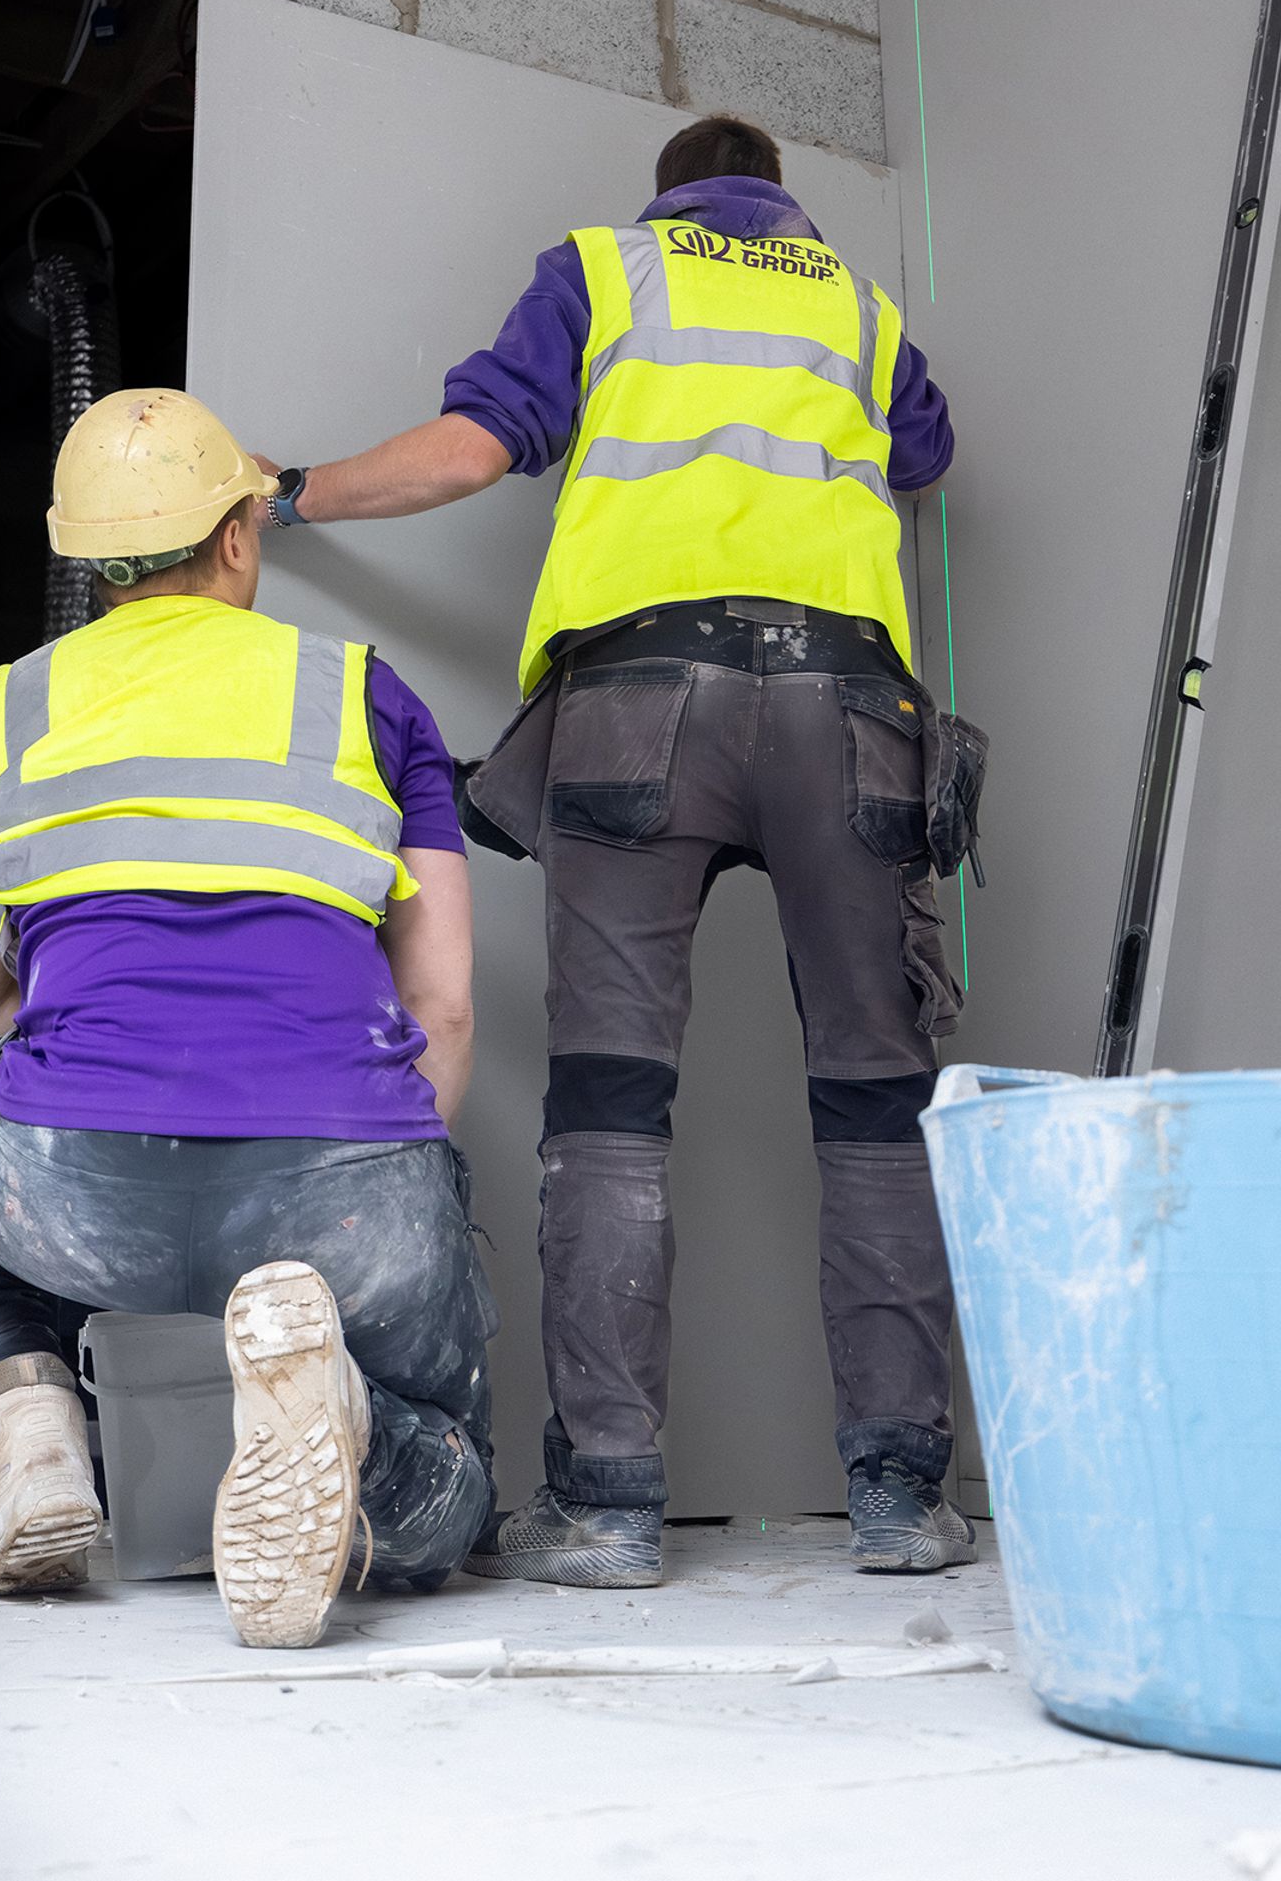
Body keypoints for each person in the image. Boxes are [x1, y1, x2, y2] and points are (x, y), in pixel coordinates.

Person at [260, 113, 983, 1587]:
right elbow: (927, 450)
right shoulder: (855, 306)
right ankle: (905, 1500)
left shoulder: (605, 271)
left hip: (639, 707)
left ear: (668, 199)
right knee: (874, 1101)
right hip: (849, 711)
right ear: (781, 203)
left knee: (608, 1101)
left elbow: (472, 448)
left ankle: (608, 1507)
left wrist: (290, 493)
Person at [0, 388, 496, 1649]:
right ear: (236, 535)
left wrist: (76, 1038)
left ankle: (32, 1420)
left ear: (86, 560)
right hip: (343, 1206)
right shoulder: (366, 696)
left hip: (75, 1192)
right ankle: (353, 1425)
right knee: (451, 1483)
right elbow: (440, 1005)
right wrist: (384, 1167)